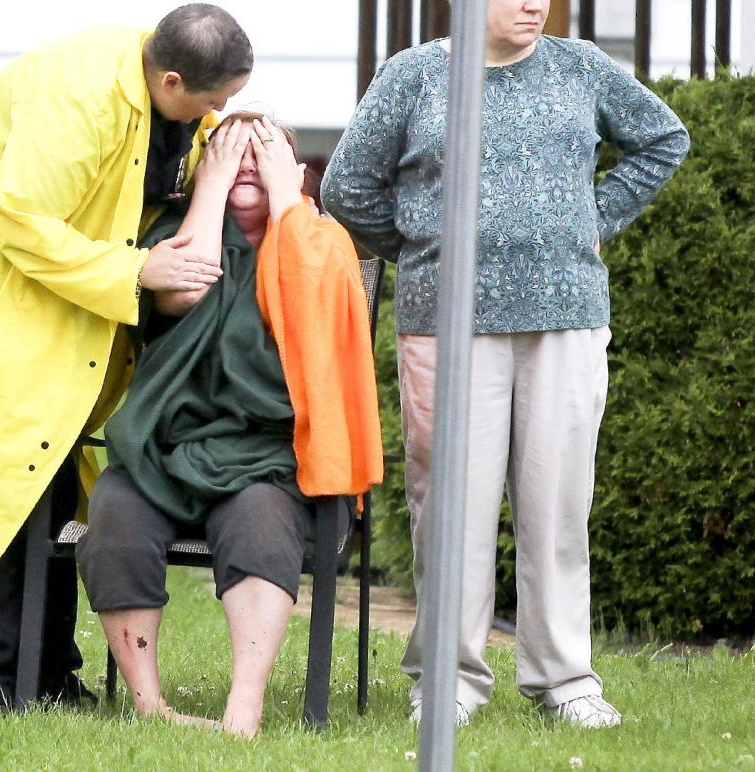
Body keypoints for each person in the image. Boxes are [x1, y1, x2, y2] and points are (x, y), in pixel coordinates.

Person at [0, 4, 253, 711]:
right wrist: (135, 273)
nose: (219, 115)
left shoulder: (163, 96)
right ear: (174, 77)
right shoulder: (80, 96)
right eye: (214, 101)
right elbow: (21, 220)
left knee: (49, 477)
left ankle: (48, 673)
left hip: (54, 298)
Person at [321, 0, 689, 729]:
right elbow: (345, 187)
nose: (534, 4)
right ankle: (447, 682)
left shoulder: (580, 67)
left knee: (557, 507)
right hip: (446, 324)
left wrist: (593, 217)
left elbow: (662, 140)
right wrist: (427, 248)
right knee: (449, 506)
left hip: (566, 318)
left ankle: (564, 681)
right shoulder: (415, 75)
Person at [74, 113, 383, 737]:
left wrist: (288, 203)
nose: (246, 161)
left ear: (294, 172)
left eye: (262, 150)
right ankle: (149, 704)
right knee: (114, 517)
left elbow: (313, 317)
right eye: (229, 150)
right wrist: (208, 194)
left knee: (260, 523)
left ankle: (245, 704)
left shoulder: (319, 241)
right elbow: (182, 291)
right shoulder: (170, 235)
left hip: (269, 455)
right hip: (163, 449)